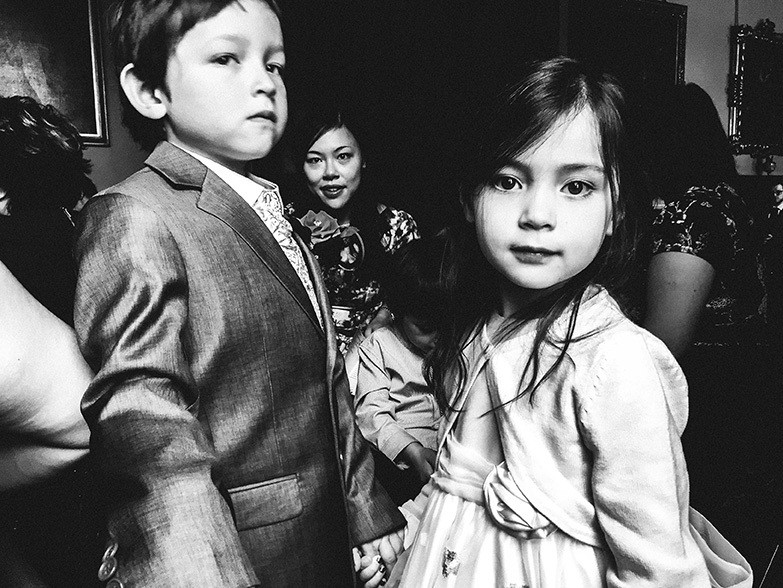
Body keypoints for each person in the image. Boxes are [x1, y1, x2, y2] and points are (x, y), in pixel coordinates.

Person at [385, 57, 752, 587]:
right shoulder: (475, 327)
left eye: (576, 186)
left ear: (615, 210)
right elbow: (455, 479)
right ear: (469, 197)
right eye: (507, 180)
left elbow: (658, 570)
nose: (537, 213)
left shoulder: (614, 362)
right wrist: (402, 534)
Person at [74, 1, 404, 586]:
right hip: (238, 554)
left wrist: (364, 509)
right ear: (150, 92)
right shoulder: (135, 215)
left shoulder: (273, 208)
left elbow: (325, 376)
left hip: (320, 538)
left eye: (274, 65)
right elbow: (147, 427)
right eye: (227, 58)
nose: (264, 82)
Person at [630, 83, 781, 576]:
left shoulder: (694, 211)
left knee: (699, 542)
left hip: (707, 396)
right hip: (744, 386)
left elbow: (663, 343)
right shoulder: (727, 198)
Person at [0, 95, 99, 587]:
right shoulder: (78, 233)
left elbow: (78, 425)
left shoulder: (17, 246)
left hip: (50, 505)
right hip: (93, 495)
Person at [285, 108, 420, 388]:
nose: (330, 173)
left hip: (374, 364)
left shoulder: (396, 226)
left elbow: (418, 300)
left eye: (343, 156)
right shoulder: (284, 224)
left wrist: (387, 314)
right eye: (315, 160)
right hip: (301, 362)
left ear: (363, 159)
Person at [354, 235, 446, 505]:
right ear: (397, 312)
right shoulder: (379, 346)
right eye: (425, 328)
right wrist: (412, 451)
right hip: (400, 462)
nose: (438, 338)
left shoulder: (455, 344)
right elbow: (372, 414)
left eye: (446, 325)